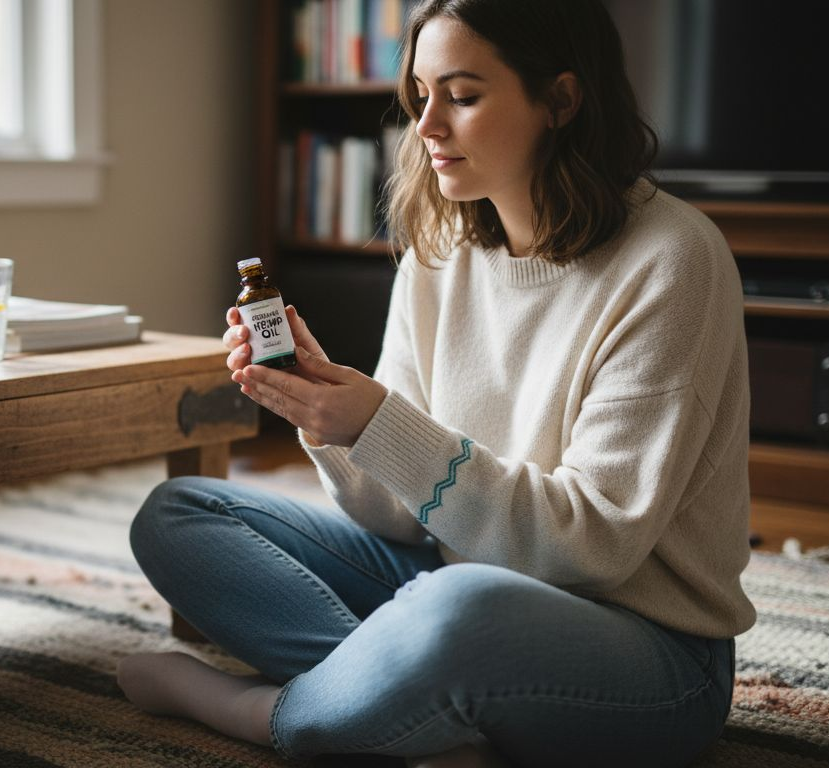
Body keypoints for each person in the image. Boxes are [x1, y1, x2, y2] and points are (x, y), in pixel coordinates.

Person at [117, 0, 754, 765]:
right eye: (420, 95)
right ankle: (414, 701)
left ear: (560, 99)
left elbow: (596, 546)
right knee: (181, 513)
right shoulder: (441, 249)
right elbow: (398, 519)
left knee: (460, 608)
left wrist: (384, 425)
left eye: (462, 95)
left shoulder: (673, 260)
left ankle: (271, 712)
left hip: (649, 655)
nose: (426, 126)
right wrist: (331, 415)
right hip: (452, 582)